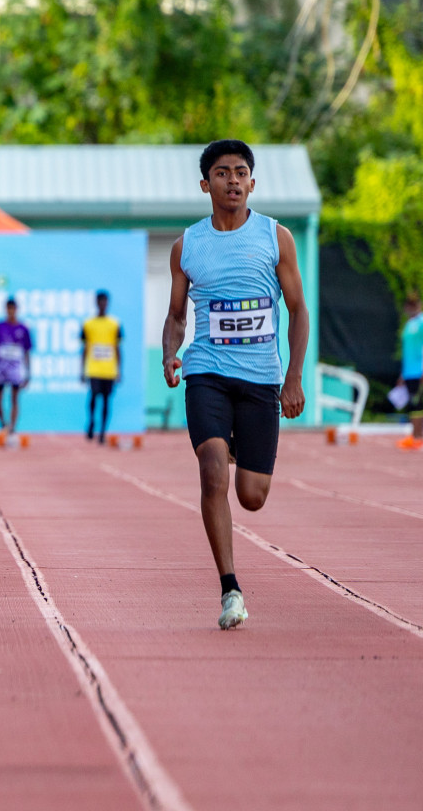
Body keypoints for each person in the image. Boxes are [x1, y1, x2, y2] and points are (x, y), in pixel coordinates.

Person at [163, 139, 309, 630]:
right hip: (206, 372)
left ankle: (232, 445)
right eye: (222, 173)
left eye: (241, 172)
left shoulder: (275, 237)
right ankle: (230, 589)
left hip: (262, 379)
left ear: (252, 182)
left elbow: (299, 310)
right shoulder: (188, 245)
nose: (232, 180)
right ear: (206, 184)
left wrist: (293, 378)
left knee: (252, 496)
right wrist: (170, 352)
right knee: (211, 471)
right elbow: (176, 316)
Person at [82, 290, 123, 442]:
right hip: (94, 368)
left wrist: (119, 370)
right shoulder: (88, 324)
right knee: (93, 396)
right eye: (100, 301)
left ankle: (102, 432)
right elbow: (85, 348)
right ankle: (92, 421)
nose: (103, 304)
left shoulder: (114, 324)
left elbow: (118, 349)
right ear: (96, 303)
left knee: (106, 401)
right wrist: (82, 370)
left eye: (105, 301)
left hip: (109, 369)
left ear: (108, 303)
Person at [0, 297, 32, 435]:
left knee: (14, 398)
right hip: (0, 368)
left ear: (16, 309)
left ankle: (12, 427)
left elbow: (26, 353)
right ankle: (3, 424)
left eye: (13, 308)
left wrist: (28, 373)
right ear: (6, 309)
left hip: (15, 369)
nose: (11, 311)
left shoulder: (23, 329)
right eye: (8, 308)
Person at [396, 295, 423, 450]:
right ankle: (415, 436)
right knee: (414, 405)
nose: (409, 309)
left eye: (413, 305)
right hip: (409, 372)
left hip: (419, 371)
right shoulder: (408, 325)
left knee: (419, 404)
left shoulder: (421, 323)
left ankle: (417, 436)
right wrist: (402, 374)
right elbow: (408, 352)